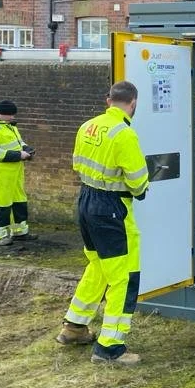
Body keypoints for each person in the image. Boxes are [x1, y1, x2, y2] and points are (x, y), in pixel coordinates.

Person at [57, 81, 149, 366]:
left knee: (97, 265)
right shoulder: (124, 134)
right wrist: (142, 186)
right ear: (132, 103)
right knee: (124, 277)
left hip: (86, 200)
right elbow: (138, 181)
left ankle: (74, 326)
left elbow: (77, 163)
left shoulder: (87, 126)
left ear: (108, 100)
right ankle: (110, 347)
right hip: (112, 208)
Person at [0, 100, 37, 246]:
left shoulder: (8, 125)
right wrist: (19, 155)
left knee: (19, 201)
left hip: (14, 170)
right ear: (0, 114)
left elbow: (18, 142)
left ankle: (20, 231)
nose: (12, 117)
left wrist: (26, 148)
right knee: (0, 203)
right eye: (10, 115)